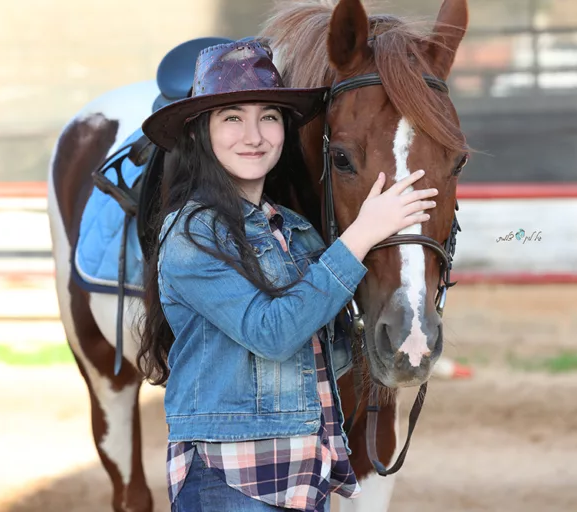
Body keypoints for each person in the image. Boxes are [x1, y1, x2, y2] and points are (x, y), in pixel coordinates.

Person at [137, 40, 437, 512]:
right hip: (229, 482)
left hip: (301, 477)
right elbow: (273, 334)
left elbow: (321, 349)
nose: (254, 135)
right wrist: (361, 234)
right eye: (232, 118)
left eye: (269, 117)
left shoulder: (294, 231)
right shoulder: (192, 234)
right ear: (201, 133)